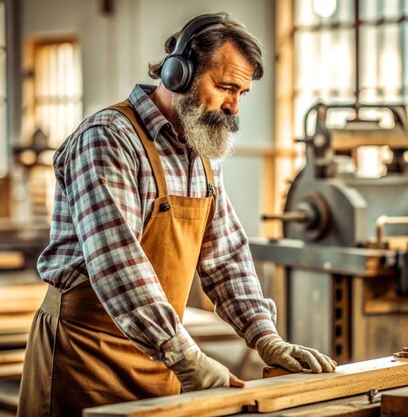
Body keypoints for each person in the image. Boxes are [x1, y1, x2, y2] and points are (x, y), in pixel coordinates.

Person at [17, 11, 336, 417]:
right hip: (84, 357)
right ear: (178, 74)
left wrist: (265, 337)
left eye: (242, 93)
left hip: (161, 355)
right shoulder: (107, 141)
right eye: (225, 87)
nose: (233, 108)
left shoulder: (202, 150)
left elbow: (226, 258)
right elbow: (118, 264)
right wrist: (186, 356)